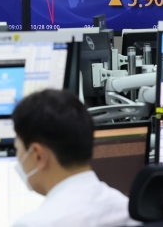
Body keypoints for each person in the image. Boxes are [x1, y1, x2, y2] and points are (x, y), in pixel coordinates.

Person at [11, 89, 140, 227]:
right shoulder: (128, 211)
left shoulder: (32, 224)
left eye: (18, 150)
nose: (18, 158)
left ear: (38, 155)